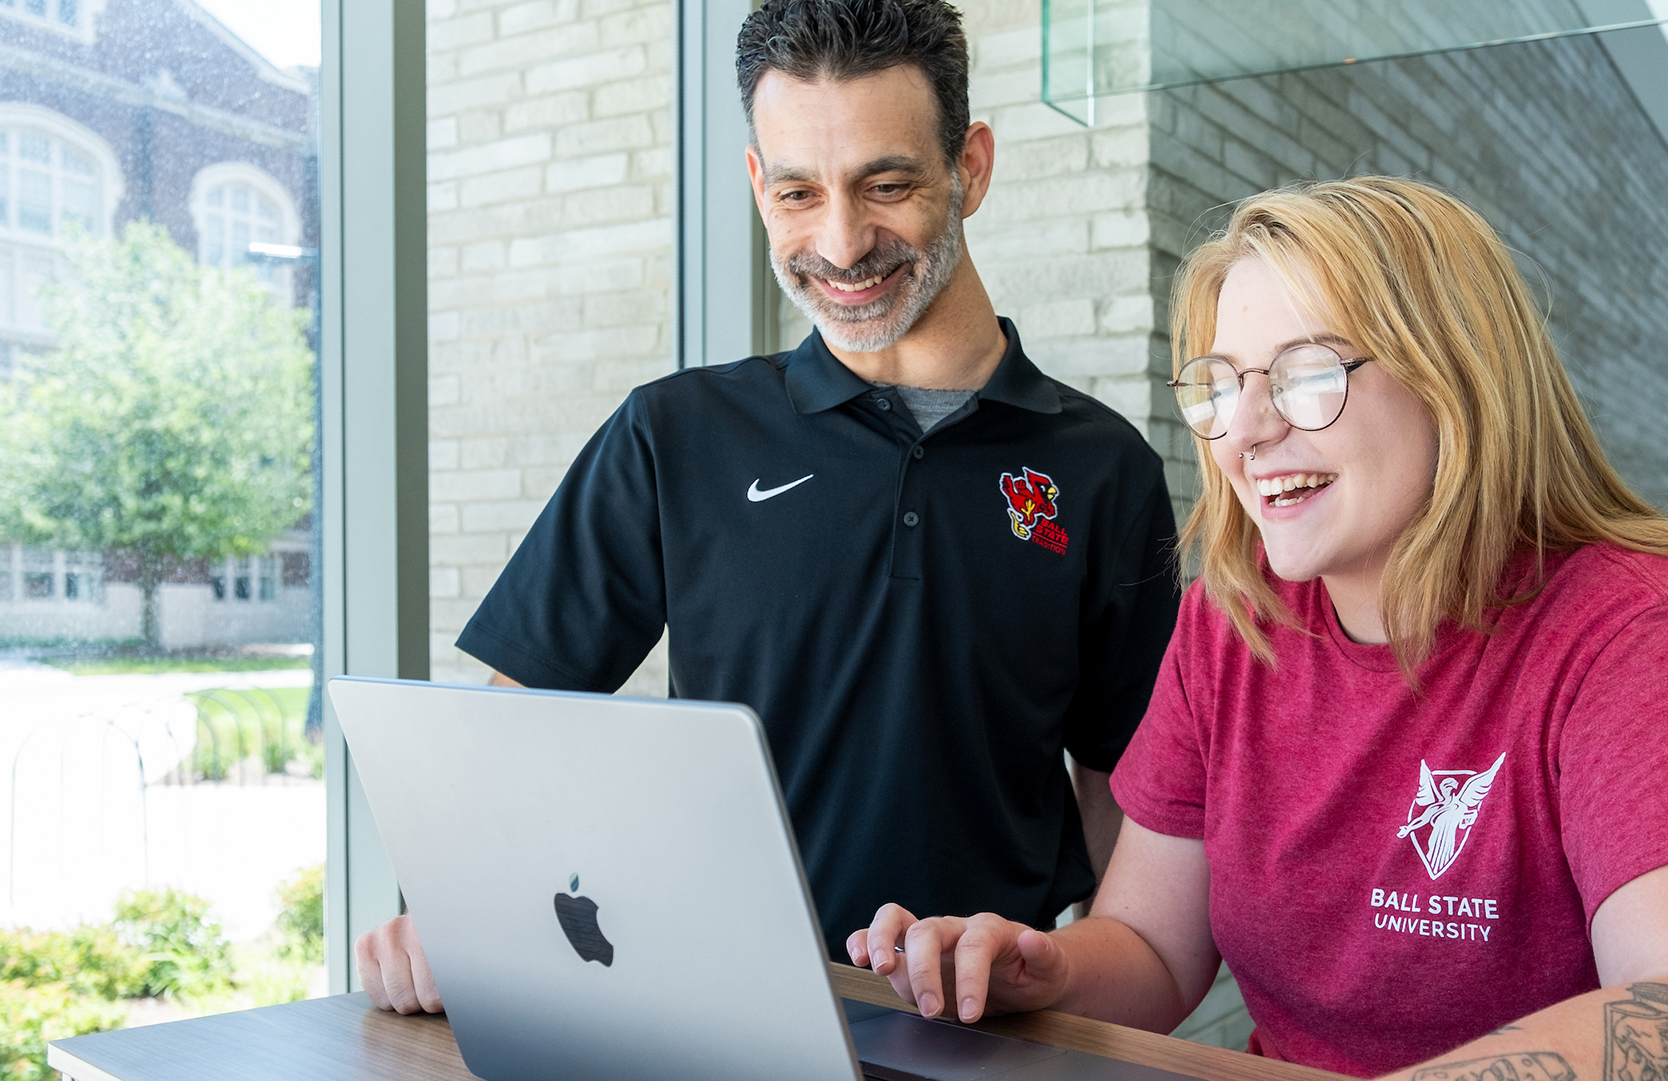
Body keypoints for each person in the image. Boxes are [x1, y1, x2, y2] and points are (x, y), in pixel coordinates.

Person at [850, 178, 1668, 1081]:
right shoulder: (1229, 623)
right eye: (1225, 384)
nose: (1243, 432)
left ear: (1455, 377)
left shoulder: (1634, 631)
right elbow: (1153, 951)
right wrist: (1044, 970)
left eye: (1305, 375)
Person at [353, 0, 1181, 1013]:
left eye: (886, 184)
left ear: (970, 166)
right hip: (709, 1018)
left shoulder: (1105, 473)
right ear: (756, 184)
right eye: (797, 191)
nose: (840, 242)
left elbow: (1134, 837)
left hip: (982, 1033)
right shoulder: (673, 434)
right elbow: (514, 736)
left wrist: (1093, 1012)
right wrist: (456, 909)